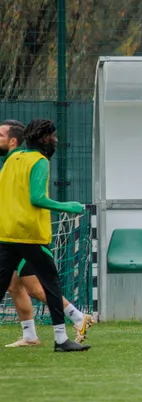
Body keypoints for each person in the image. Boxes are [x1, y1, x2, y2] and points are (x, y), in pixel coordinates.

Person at [0, 120, 94, 347]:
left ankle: (33, 336)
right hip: (31, 235)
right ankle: (61, 338)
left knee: (10, 284)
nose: (56, 140)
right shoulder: (39, 161)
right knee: (51, 286)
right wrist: (69, 206)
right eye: (54, 136)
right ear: (45, 139)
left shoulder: (12, 159)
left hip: (6, 234)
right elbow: (37, 199)